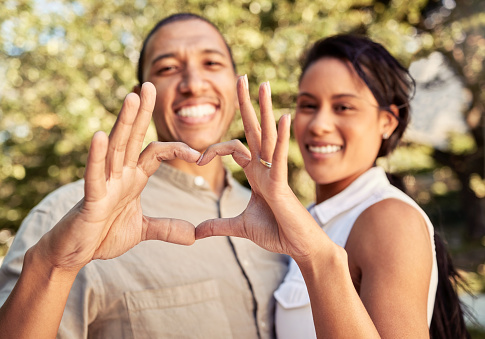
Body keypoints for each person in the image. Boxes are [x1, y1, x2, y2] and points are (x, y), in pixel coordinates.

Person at [0, 13, 288, 338]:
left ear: (235, 81)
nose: (193, 84)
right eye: (168, 68)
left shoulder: (274, 213)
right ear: (142, 95)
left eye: (211, 63)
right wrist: (56, 266)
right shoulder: (69, 216)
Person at [196, 34, 469, 338]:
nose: (319, 124)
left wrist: (318, 258)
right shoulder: (311, 218)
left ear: (387, 121)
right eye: (308, 105)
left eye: (343, 107)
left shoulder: (389, 219)